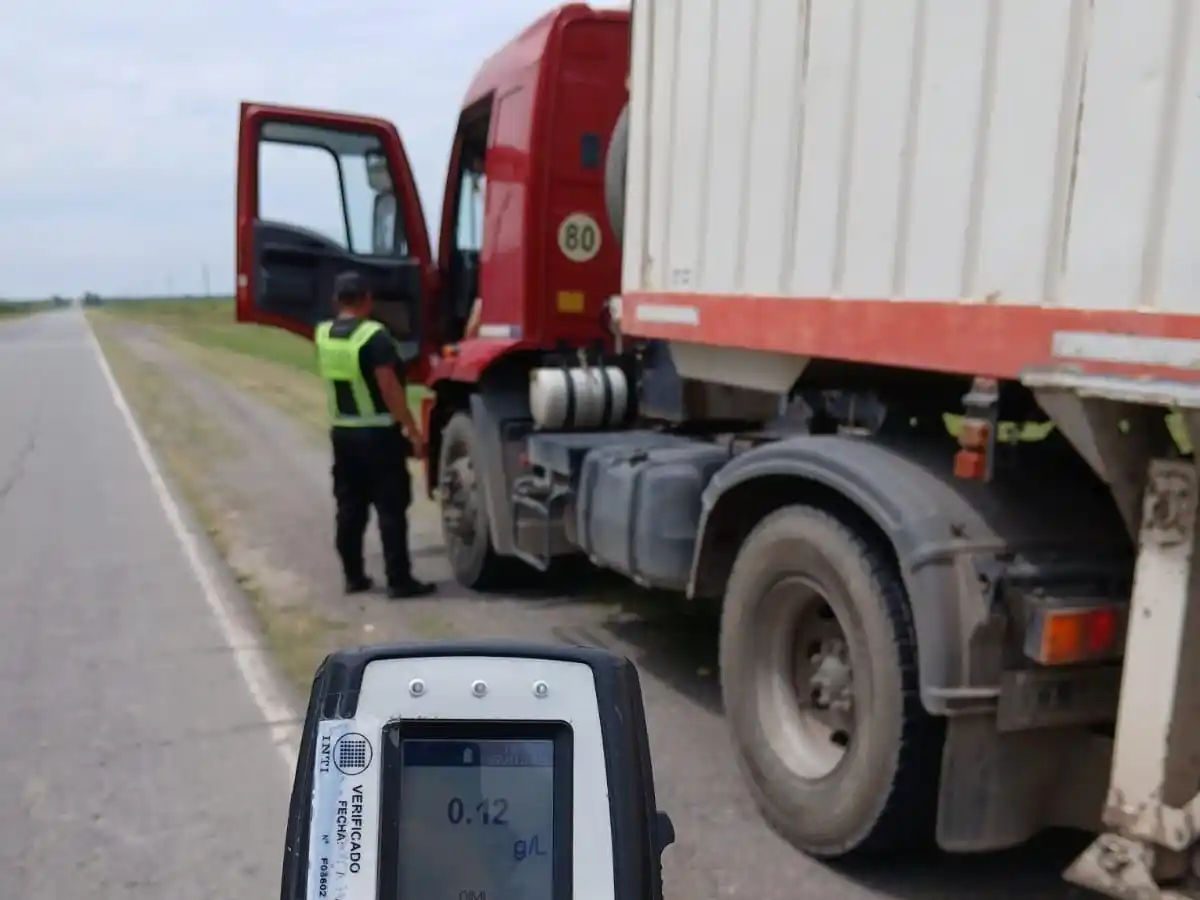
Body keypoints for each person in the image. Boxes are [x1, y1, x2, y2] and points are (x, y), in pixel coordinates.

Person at [315, 272, 436, 599]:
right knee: (390, 508)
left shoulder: (323, 334)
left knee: (349, 507)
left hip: (343, 432)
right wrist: (412, 430)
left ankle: (353, 576)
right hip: (379, 434)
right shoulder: (375, 337)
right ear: (367, 299)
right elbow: (389, 388)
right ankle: (399, 580)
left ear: (336, 301)